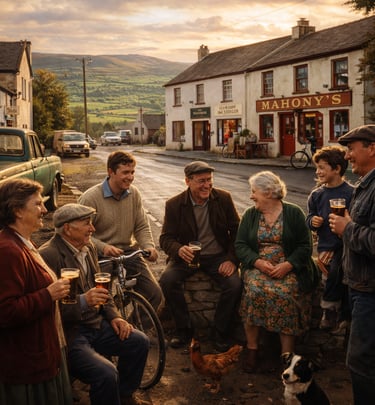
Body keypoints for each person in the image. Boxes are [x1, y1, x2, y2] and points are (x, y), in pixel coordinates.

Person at [39, 203, 151, 405]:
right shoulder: (49, 255)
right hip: (70, 334)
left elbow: (101, 291)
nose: (93, 229)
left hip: (96, 325)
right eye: (87, 223)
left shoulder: (88, 246)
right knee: (106, 373)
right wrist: (83, 301)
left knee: (139, 342)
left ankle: (124, 395)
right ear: (67, 228)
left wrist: (115, 316)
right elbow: (48, 309)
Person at [235, 171, 318, 373]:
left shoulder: (294, 213)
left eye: (254, 191)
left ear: (269, 192)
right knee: (254, 291)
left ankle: (286, 357)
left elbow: (305, 246)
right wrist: (258, 262)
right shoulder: (250, 214)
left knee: (285, 294)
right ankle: (253, 349)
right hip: (258, 268)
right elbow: (240, 245)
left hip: (288, 268)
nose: (251, 196)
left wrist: (287, 265)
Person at [0, 178, 72, 405]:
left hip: (38, 354)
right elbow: (5, 311)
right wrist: (48, 294)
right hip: (25, 365)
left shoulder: (22, 242)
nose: (45, 210)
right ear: (17, 211)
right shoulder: (8, 251)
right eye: (38, 204)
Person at [159, 161, 242, 352]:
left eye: (209, 180)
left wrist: (232, 259)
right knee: (167, 280)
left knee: (234, 285)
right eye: (201, 181)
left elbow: (237, 232)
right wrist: (179, 249)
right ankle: (184, 329)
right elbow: (165, 238)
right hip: (187, 258)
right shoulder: (175, 204)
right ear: (187, 181)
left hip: (217, 257)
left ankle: (220, 331)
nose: (207, 185)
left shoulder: (223, 198)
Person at [78, 150, 163, 313]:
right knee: (102, 300)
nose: (130, 177)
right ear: (110, 172)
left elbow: (141, 225)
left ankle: (133, 332)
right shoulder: (90, 198)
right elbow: (79, 235)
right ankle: (109, 331)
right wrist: (104, 247)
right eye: (125, 172)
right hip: (99, 255)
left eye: (132, 172)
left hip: (127, 251)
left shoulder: (134, 194)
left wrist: (149, 246)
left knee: (154, 294)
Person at [329, 125, 375, 405]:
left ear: (372, 148)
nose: (347, 156)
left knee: (362, 363)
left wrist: (347, 229)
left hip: (370, 293)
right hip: (360, 287)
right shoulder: (366, 184)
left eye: (351, 148)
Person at [306, 146, 354, 332]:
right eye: (317, 167)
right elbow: (309, 218)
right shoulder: (317, 195)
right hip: (326, 247)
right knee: (332, 272)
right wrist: (313, 221)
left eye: (322, 167)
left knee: (342, 273)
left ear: (337, 169)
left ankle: (337, 312)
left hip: (346, 245)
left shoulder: (352, 193)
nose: (318, 171)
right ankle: (331, 311)